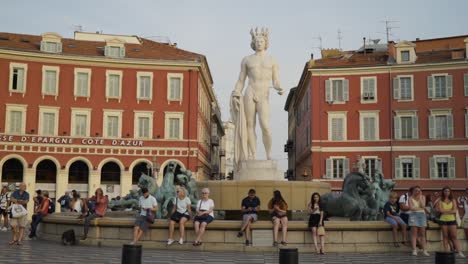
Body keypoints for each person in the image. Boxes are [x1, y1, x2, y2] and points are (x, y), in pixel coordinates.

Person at [230, 27, 284, 163]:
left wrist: (279, 87)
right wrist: (236, 92)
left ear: (266, 43)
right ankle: (252, 155)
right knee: (249, 124)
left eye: (261, 40)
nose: (259, 43)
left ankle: (268, 154)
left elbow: (276, 79)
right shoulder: (247, 60)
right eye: (257, 41)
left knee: (265, 125)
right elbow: (241, 80)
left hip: (264, 93)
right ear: (253, 43)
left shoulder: (272, 60)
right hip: (250, 91)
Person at [436, 187, 465, 258]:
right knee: (445, 237)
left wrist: (445, 211)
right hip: (443, 220)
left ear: (450, 192)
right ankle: (446, 252)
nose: (447, 192)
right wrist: (450, 211)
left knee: (454, 237)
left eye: (448, 191)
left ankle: (459, 252)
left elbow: (455, 210)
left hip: (452, 220)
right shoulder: (440, 200)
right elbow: (440, 210)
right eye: (445, 191)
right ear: (443, 192)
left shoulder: (453, 200)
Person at [408, 186, 429, 256]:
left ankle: (424, 250)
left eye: (419, 191)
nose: (417, 192)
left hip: (422, 216)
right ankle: (414, 250)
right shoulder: (410, 198)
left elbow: (423, 206)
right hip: (413, 216)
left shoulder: (423, 197)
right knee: (414, 234)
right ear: (413, 191)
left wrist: (420, 198)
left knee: (423, 234)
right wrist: (419, 208)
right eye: (416, 190)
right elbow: (411, 208)